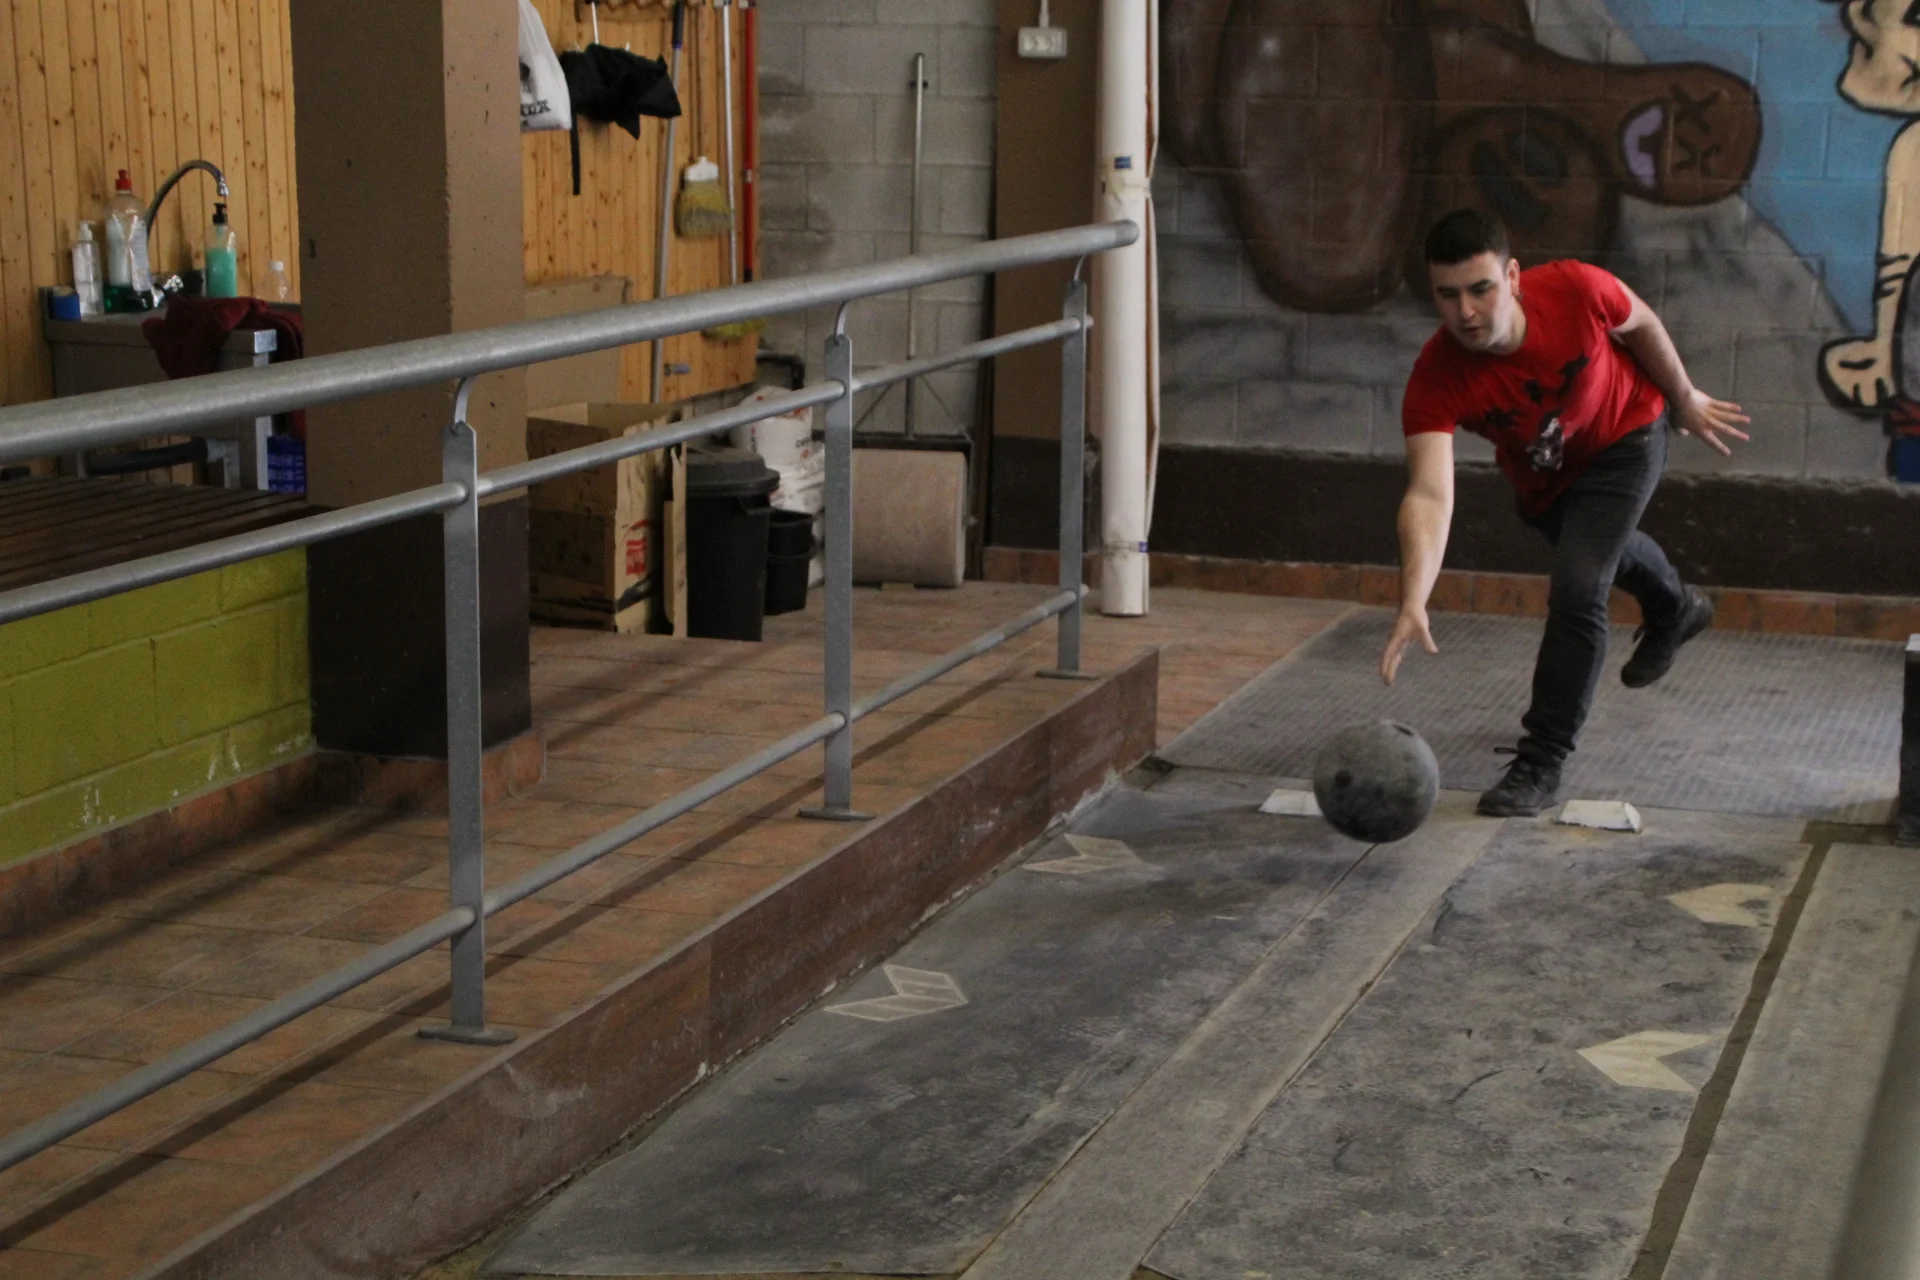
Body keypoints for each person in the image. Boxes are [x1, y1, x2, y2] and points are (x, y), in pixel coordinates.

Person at [1379, 209, 1751, 817]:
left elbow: (1642, 323)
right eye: (1447, 295)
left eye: (1481, 289)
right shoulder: (1437, 375)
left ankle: (1541, 760)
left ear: (1513, 277)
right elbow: (1428, 493)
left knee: (1579, 586)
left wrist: (1683, 397)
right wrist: (1413, 598)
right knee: (1593, 550)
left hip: (1626, 434)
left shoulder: (1576, 289)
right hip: (1546, 474)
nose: (1466, 312)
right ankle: (1676, 607)